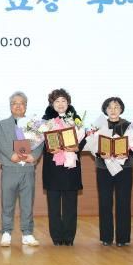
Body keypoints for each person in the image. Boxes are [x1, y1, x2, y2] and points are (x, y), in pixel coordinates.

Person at [0, 91, 43, 247]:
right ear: (10, 106)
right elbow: (0, 141)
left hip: (28, 169)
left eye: (21, 103)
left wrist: (34, 156)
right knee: (7, 203)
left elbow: (40, 142)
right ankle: (6, 232)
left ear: (26, 106)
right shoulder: (2, 125)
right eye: (14, 103)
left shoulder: (34, 125)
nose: (18, 106)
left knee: (27, 204)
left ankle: (27, 233)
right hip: (10, 168)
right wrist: (11, 155)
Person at [41, 88, 85, 246]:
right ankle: (56, 237)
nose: (60, 104)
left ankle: (69, 237)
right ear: (52, 104)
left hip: (70, 167)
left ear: (68, 103)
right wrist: (49, 147)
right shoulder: (45, 121)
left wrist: (77, 146)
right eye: (57, 101)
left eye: (63, 101)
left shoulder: (76, 120)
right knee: (53, 205)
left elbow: (83, 139)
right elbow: (39, 141)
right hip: (53, 167)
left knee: (70, 205)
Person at [95, 97, 133, 247]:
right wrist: (100, 153)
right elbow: (93, 145)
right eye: (109, 107)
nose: (113, 110)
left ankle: (123, 238)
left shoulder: (129, 126)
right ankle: (106, 237)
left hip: (124, 168)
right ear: (105, 110)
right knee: (105, 202)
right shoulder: (98, 126)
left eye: (116, 107)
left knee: (123, 202)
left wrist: (128, 152)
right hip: (104, 168)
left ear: (121, 109)